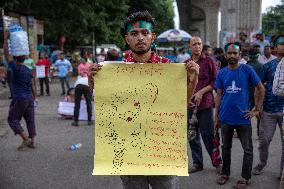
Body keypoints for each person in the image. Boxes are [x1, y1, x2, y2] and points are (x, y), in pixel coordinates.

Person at [88, 10, 199, 189]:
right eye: (134, 33)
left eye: (145, 33)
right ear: (127, 39)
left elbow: (182, 104)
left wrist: (194, 79)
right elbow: (104, 107)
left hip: (161, 149)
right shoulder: (113, 71)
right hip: (128, 149)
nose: (140, 38)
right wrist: (92, 80)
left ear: (152, 37)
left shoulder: (168, 68)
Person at [214, 42, 265, 188]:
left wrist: (256, 109)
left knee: (248, 149)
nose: (232, 56)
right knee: (226, 147)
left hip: (243, 118)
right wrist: (216, 117)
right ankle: (225, 173)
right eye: (229, 53)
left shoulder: (247, 69)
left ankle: (245, 177)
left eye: (235, 53)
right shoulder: (222, 72)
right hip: (225, 118)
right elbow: (218, 95)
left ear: (240, 55)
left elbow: (261, 88)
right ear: (225, 55)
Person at [185, 37, 220, 173]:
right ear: (190, 47)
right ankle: (197, 163)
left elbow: (215, 82)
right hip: (190, 106)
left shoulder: (209, 61)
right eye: (194, 44)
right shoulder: (186, 64)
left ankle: (217, 162)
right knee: (192, 136)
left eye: (199, 44)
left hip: (205, 105)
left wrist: (201, 92)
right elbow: (181, 85)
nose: (197, 46)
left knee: (208, 136)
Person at [252, 36, 284, 180]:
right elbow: (258, 88)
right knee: (264, 140)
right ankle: (262, 163)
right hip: (269, 110)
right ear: (275, 48)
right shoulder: (268, 66)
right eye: (281, 44)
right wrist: (258, 107)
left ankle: (282, 171)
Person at [4, 31, 37, 150]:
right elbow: (32, 85)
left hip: (20, 98)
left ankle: (26, 139)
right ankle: (32, 141)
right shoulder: (28, 70)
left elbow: (6, 53)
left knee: (12, 119)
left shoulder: (15, 67)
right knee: (30, 119)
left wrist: (5, 39)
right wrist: (34, 97)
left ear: (15, 57)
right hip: (29, 98)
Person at [246, 47, 264, 137]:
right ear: (258, 56)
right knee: (259, 113)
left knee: (246, 114)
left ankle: (245, 133)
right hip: (258, 93)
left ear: (249, 56)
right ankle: (260, 132)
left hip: (247, 94)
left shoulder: (245, 66)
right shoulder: (261, 66)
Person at [72, 59, 92, 126]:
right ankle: (89, 120)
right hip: (87, 85)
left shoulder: (79, 75)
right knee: (88, 103)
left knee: (77, 104)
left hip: (78, 85)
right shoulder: (89, 71)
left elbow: (79, 73)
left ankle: (76, 121)